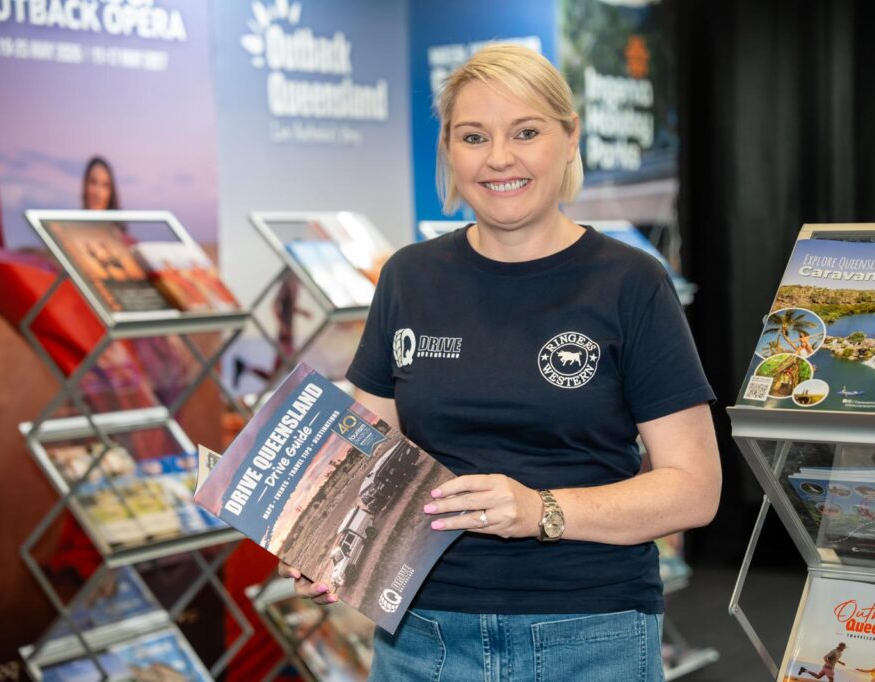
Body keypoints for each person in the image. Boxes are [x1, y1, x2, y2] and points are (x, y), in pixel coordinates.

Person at [278, 44, 721, 680]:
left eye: (527, 132)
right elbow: (360, 450)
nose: (499, 159)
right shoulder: (409, 277)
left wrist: (539, 510)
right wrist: (319, 545)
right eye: (474, 136)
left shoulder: (631, 284)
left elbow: (694, 489)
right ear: (450, 151)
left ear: (569, 140)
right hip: (421, 635)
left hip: (590, 633)